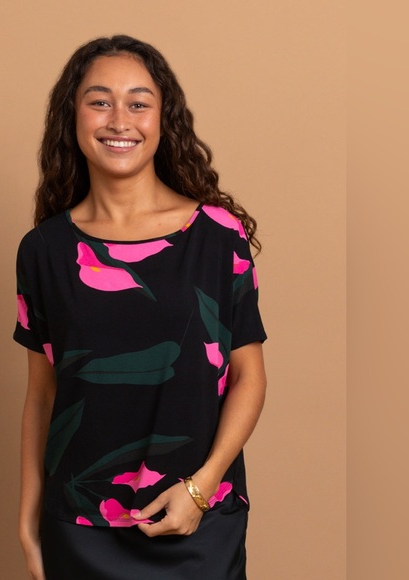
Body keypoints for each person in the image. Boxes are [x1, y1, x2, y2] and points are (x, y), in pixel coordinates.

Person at [13, 35, 267, 580]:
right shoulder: (44, 251)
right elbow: (42, 394)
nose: (119, 120)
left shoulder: (216, 237)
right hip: (79, 525)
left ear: (162, 119)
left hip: (197, 521)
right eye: (99, 101)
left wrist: (199, 491)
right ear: (72, 117)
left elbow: (248, 377)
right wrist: (28, 521)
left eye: (138, 103)